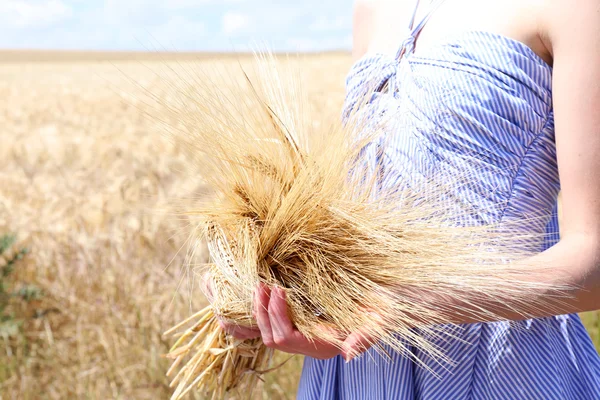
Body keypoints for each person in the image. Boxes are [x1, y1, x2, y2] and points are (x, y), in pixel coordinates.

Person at [217, 0, 600, 397]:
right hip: (359, 375)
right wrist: (297, 303)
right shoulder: (371, 8)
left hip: (497, 371)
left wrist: (416, 300)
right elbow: (364, 210)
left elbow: (593, 261)